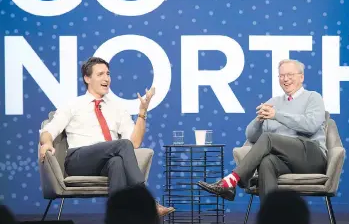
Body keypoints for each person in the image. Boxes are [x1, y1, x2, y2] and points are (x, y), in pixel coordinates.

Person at [39, 57, 175, 217]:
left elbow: (134, 143)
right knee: (121, 145)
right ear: (87, 78)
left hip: (105, 161)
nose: (106, 78)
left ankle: (118, 217)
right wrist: (46, 143)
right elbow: (49, 130)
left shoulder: (117, 108)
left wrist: (142, 112)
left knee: (116, 162)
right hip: (78, 160)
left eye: (108, 74)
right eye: (100, 74)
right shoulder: (73, 105)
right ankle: (147, 201)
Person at [198, 59, 327, 201]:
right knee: (267, 162)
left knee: (268, 138)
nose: (285, 79)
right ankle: (269, 215)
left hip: (312, 157)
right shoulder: (274, 102)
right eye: (282, 75)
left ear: (301, 77)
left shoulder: (313, 97)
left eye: (290, 75)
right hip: (286, 161)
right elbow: (251, 136)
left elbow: (311, 125)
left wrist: (276, 115)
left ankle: (231, 181)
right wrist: (259, 121)